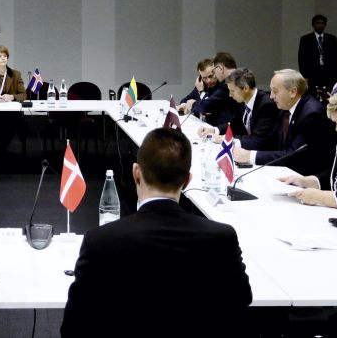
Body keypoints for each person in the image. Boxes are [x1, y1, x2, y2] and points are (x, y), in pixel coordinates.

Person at [61, 128, 252, 337]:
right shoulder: (222, 239)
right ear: (187, 180)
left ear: (136, 173)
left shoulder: (100, 241)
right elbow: (241, 304)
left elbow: (73, 328)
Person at [234, 69, 336, 175]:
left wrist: (250, 156)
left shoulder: (312, 114)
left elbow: (294, 155)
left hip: (309, 175)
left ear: (293, 92)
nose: (271, 96)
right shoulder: (286, 109)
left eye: (275, 91)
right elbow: (269, 141)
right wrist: (237, 145)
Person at [198, 67, 279, 150]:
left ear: (246, 88)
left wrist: (224, 139)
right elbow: (235, 124)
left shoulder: (266, 105)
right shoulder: (243, 100)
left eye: (232, 91)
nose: (230, 95)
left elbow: (257, 140)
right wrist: (214, 130)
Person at [190, 51, 242, 126]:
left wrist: (192, 103)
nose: (215, 74)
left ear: (220, 68)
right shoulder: (234, 79)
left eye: (214, 71)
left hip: (232, 128)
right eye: (204, 78)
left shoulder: (226, 85)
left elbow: (207, 107)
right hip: (229, 126)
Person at [298, 14, 337, 98]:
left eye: (322, 23)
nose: (320, 25)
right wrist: (305, 76)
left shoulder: (331, 39)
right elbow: (302, 58)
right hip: (312, 73)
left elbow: (335, 57)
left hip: (328, 72)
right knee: (313, 95)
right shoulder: (306, 39)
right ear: (313, 25)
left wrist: (336, 75)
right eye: (318, 23)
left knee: (328, 95)